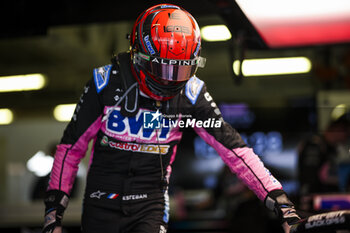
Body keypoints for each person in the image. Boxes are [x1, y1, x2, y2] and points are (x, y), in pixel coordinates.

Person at [42, 4, 300, 233]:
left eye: (181, 68)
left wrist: (281, 203)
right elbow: (70, 149)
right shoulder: (105, 83)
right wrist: (53, 214)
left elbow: (236, 151)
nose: (170, 79)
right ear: (138, 54)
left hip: (151, 207)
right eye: (163, 68)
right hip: (100, 205)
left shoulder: (192, 93)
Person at [298, 117, 350, 196]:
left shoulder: (332, 148)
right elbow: (310, 176)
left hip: (328, 196)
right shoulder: (314, 145)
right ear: (338, 130)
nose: (347, 137)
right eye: (346, 132)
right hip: (315, 197)